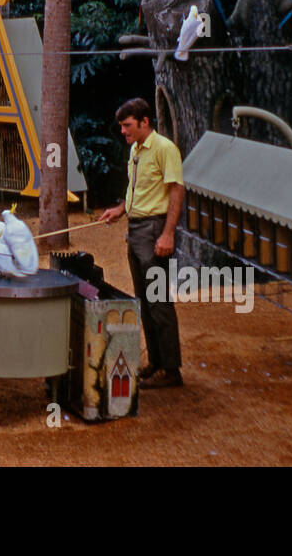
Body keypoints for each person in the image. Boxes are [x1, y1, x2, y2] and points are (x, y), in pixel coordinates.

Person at [99, 98, 186, 390]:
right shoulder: (136, 150)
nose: (123, 131)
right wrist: (120, 209)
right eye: (122, 126)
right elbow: (137, 190)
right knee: (145, 301)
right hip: (136, 230)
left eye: (127, 125)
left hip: (155, 230)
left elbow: (176, 190)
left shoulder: (164, 148)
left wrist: (168, 234)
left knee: (158, 300)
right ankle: (157, 363)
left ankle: (172, 370)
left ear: (144, 121)